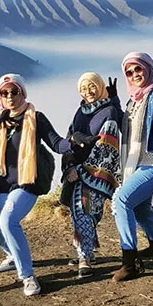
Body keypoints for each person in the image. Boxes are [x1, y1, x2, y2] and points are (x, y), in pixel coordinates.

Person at [0, 73, 90, 297]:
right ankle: (14, 255)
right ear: (0, 97)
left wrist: (74, 142)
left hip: (26, 182)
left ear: (22, 93)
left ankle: (27, 276)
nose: (10, 96)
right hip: (0, 183)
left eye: (14, 91)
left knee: (8, 222)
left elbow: (56, 143)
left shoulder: (36, 118)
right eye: (4, 93)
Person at [111, 52, 153, 282]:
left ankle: (130, 263)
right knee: (139, 207)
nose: (134, 75)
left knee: (122, 200)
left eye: (138, 69)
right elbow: (129, 129)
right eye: (129, 72)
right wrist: (115, 103)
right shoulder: (134, 100)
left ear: (148, 68)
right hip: (137, 162)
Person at [62, 73, 122, 278]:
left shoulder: (109, 111)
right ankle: (87, 251)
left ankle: (84, 257)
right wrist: (69, 165)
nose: (88, 92)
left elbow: (107, 145)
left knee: (84, 211)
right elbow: (69, 138)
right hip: (76, 171)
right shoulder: (80, 111)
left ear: (100, 86)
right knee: (79, 212)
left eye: (92, 86)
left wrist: (81, 170)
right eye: (83, 88)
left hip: (95, 172)